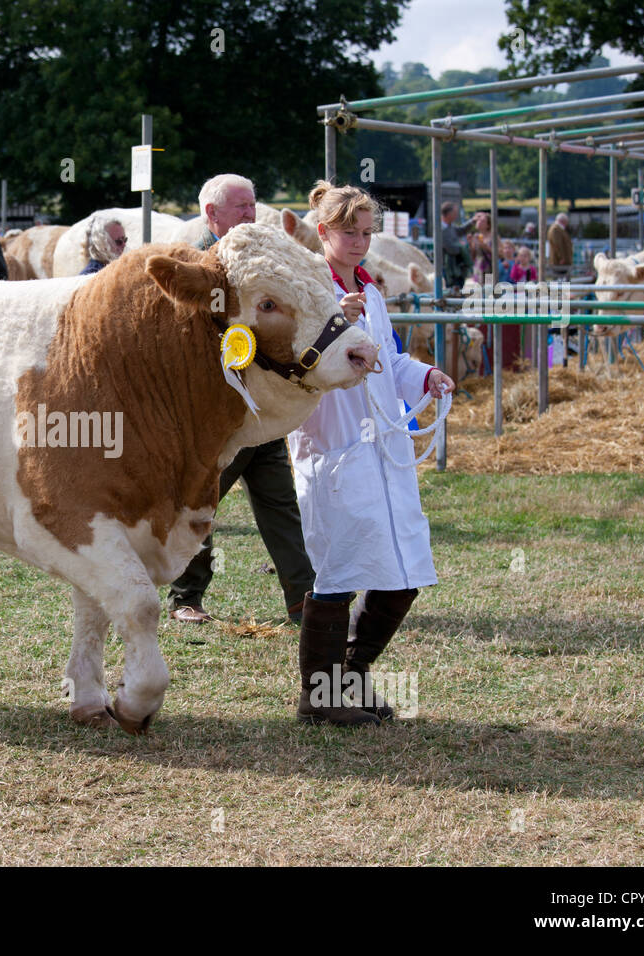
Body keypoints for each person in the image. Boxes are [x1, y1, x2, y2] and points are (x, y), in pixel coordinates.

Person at [289, 180, 455, 726]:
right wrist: (334, 316)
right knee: (336, 572)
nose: (361, 242)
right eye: (350, 232)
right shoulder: (307, 290)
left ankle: (350, 676)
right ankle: (320, 695)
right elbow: (295, 365)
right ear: (324, 231)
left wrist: (425, 374)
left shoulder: (373, 290)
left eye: (367, 232)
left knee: (403, 571)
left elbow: (390, 361)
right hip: (333, 446)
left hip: (384, 450)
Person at [167, 173, 316, 626]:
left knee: (280, 505)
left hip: (261, 407)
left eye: (253, 205)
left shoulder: (263, 259)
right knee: (203, 502)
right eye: (241, 207)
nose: (251, 214)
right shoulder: (196, 263)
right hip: (217, 415)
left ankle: (302, 601)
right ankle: (185, 598)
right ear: (212, 214)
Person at [438, 202, 473, 292]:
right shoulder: (441, 230)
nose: (456, 215)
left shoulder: (450, 227)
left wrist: (473, 221)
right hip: (448, 269)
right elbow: (451, 249)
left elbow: (461, 230)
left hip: (457, 268)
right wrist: (462, 246)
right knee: (451, 292)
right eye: (455, 213)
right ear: (448, 214)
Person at [469, 211, 493, 284]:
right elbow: (473, 256)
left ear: (488, 225)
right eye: (478, 220)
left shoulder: (493, 236)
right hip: (478, 269)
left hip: (490, 269)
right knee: (478, 292)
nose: (479, 222)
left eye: (482, 221)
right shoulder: (476, 236)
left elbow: (501, 253)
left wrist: (485, 246)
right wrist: (470, 244)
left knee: (488, 291)